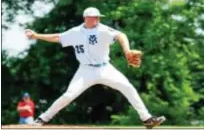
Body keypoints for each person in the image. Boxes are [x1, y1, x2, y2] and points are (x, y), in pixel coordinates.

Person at [25, 7, 165, 128]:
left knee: (127, 87)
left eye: (98, 17)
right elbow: (58, 37)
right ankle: (43, 119)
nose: (97, 19)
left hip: (105, 68)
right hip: (85, 70)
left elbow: (121, 35)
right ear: (86, 18)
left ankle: (146, 118)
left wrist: (127, 51)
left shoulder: (103, 30)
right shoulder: (75, 32)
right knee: (69, 95)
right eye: (94, 17)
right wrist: (36, 36)